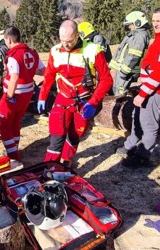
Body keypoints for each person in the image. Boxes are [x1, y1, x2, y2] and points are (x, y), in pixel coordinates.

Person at [38, 20, 113, 167]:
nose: (65, 44)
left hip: (84, 101)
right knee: (56, 136)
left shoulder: (93, 50)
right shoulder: (55, 51)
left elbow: (107, 80)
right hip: (63, 98)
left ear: (78, 35)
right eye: (62, 40)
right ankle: (49, 168)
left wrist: (93, 102)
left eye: (69, 41)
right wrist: (42, 96)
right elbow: (49, 76)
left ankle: (66, 161)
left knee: (75, 134)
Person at [117, 6, 160, 168]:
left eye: (159, 20)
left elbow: (159, 73)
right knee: (139, 119)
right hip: (151, 89)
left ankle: (142, 157)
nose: (155, 24)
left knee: (149, 125)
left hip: (159, 92)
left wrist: (143, 93)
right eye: (153, 21)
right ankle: (134, 147)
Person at [0, 26, 44, 160]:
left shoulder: (13, 56)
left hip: (14, 94)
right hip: (27, 95)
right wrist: (28, 72)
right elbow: (42, 71)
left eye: (5, 40)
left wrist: (9, 97)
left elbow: (14, 77)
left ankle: (12, 155)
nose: (5, 43)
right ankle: (15, 147)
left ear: (9, 39)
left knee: (3, 123)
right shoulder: (32, 53)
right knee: (15, 122)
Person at [109, 11, 151, 97]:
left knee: (121, 91)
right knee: (118, 87)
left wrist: (124, 70)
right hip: (124, 68)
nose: (129, 27)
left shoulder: (140, 36)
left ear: (137, 23)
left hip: (128, 69)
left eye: (130, 25)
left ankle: (121, 106)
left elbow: (134, 55)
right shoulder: (133, 35)